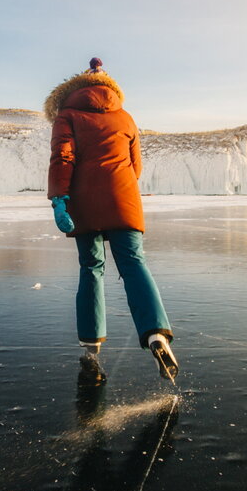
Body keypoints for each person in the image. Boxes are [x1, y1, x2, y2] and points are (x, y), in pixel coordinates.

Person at [45, 57, 178, 384]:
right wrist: (119, 189)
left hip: (84, 202)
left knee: (92, 267)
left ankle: (91, 347)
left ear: (75, 87)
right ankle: (156, 333)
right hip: (124, 199)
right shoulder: (125, 116)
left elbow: (63, 156)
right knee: (134, 263)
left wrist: (59, 199)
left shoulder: (67, 114)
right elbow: (136, 167)